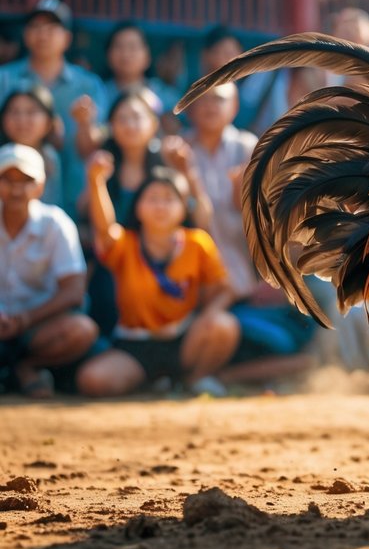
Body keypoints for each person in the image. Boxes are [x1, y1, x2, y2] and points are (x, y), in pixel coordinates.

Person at [182, 81, 314, 387]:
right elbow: (188, 224)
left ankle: (225, 377)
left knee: (295, 346)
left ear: (235, 107)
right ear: (190, 109)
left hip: (249, 286)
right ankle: (205, 375)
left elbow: (274, 226)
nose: (211, 106)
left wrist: (245, 204)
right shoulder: (177, 151)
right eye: (203, 100)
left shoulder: (249, 149)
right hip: (200, 285)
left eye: (219, 99)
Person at [76, 153, 238, 397]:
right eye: (152, 199)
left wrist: (209, 315)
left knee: (223, 326)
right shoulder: (125, 244)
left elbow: (225, 289)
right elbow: (104, 229)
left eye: (169, 199)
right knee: (92, 380)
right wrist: (96, 181)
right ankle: (152, 383)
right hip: (134, 345)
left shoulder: (198, 243)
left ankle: (194, 380)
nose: (160, 206)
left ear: (184, 208)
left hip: (183, 339)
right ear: (138, 208)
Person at [0, 143, 98, 397]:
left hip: (38, 328)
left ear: (41, 186)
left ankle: (23, 368)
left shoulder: (55, 224)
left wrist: (25, 320)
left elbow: (74, 291)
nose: (16, 189)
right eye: (7, 179)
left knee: (81, 330)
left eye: (26, 180)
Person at [0, 0, 108, 213]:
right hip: (11, 196)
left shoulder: (89, 85)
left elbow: (93, 148)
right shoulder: (4, 79)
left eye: (51, 27)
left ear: (67, 38)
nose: (43, 34)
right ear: (26, 34)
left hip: (73, 198)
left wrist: (85, 125)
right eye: (36, 26)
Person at [199, 25, 290, 137]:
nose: (229, 60)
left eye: (233, 54)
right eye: (223, 53)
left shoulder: (247, 95)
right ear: (206, 55)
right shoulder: (195, 95)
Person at [103, 21, 177, 128]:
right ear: (108, 55)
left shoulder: (165, 96)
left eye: (132, 47)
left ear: (147, 56)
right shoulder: (98, 92)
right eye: (119, 47)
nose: (125, 54)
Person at [0, 86, 62, 206]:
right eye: (14, 111)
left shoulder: (50, 158)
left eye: (31, 112)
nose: (22, 120)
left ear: (49, 122)